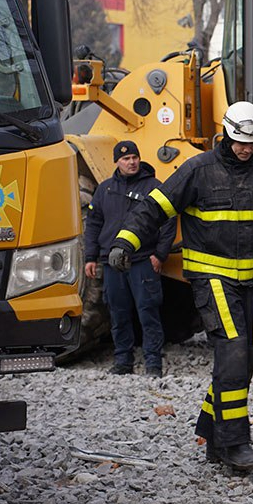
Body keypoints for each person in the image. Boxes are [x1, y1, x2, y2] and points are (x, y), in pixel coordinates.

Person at [109, 101, 253, 471]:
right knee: (233, 350)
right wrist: (125, 241)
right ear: (225, 134)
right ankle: (234, 444)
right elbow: (154, 208)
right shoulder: (197, 170)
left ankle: (212, 431)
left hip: (249, 282)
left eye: (252, 143)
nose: (246, 149)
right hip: (211, 277)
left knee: (246, 356)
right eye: (240, 141)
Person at [84, 141, 176, 378]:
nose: (131, 162)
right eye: (126, 159)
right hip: (112, 263)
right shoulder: (105, 189)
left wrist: (160, 254)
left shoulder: (154, 188)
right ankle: (123, 362)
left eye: (135, 157)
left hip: (143, 260)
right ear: (117, 162)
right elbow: (93, 225)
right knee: (118, 313)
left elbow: (168, 222)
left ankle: (153, 365)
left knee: (148, 312)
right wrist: (90, 257)